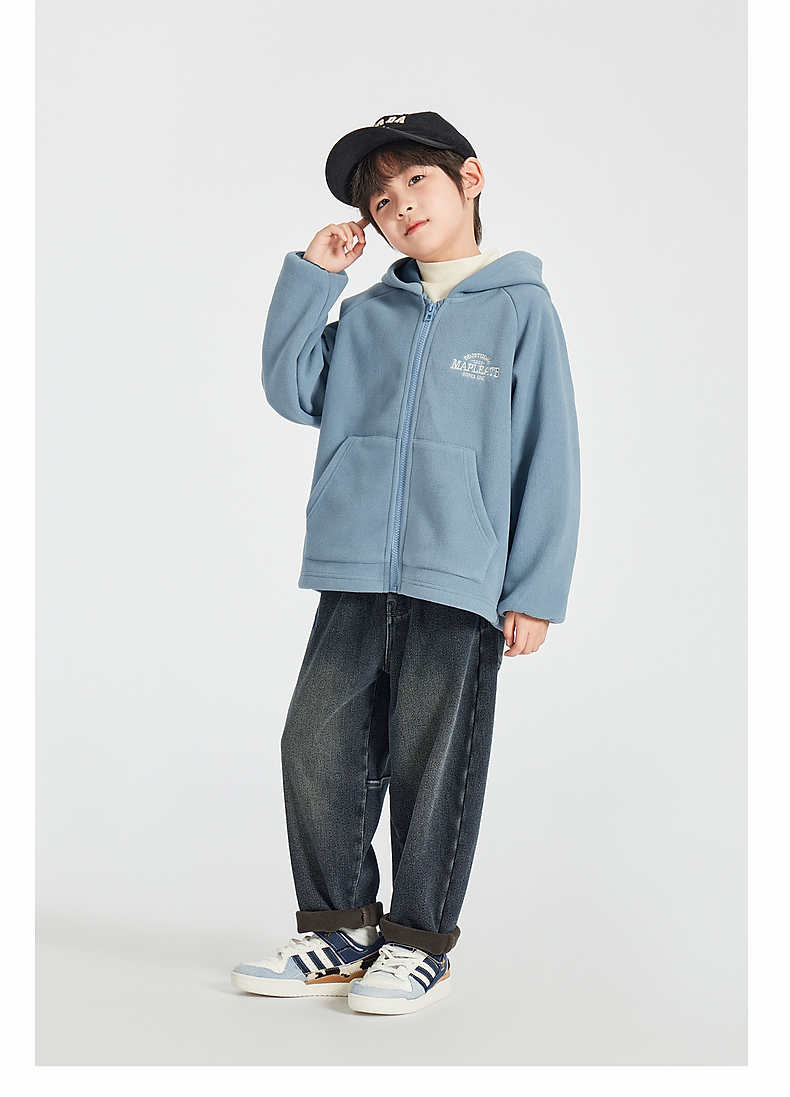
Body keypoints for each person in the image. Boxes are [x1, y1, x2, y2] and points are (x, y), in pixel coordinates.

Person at [231, 112, 581, 1015]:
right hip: (354, 571)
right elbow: (292, 388)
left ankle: (421, 942)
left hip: (461, 579)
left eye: (415, 181)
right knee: (314, 744)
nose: (399, 206)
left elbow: (549, 451)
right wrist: (315, 277)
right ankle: (340, 929)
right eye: (380, 200)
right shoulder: (366, 315)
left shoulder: (521, 310)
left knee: (435, 761)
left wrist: (535, 587)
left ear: (470, 178)